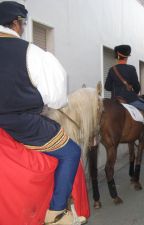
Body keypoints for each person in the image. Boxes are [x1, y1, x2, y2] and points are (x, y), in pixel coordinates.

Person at [0, 2, 86, 224]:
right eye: (23, 23)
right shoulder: (30, 51)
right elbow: (56, 99)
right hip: (21, 125)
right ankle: (55, 213)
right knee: (71, 152)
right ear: (17, 23)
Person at [104, 44, 144, 142]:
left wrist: (117, 88)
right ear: (127, 57)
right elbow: (137, 87)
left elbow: (107, 87)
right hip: (130, 99)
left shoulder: (112, 69)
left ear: (117, 56)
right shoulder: (131, 69)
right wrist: (133, 93)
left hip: (115, 99)